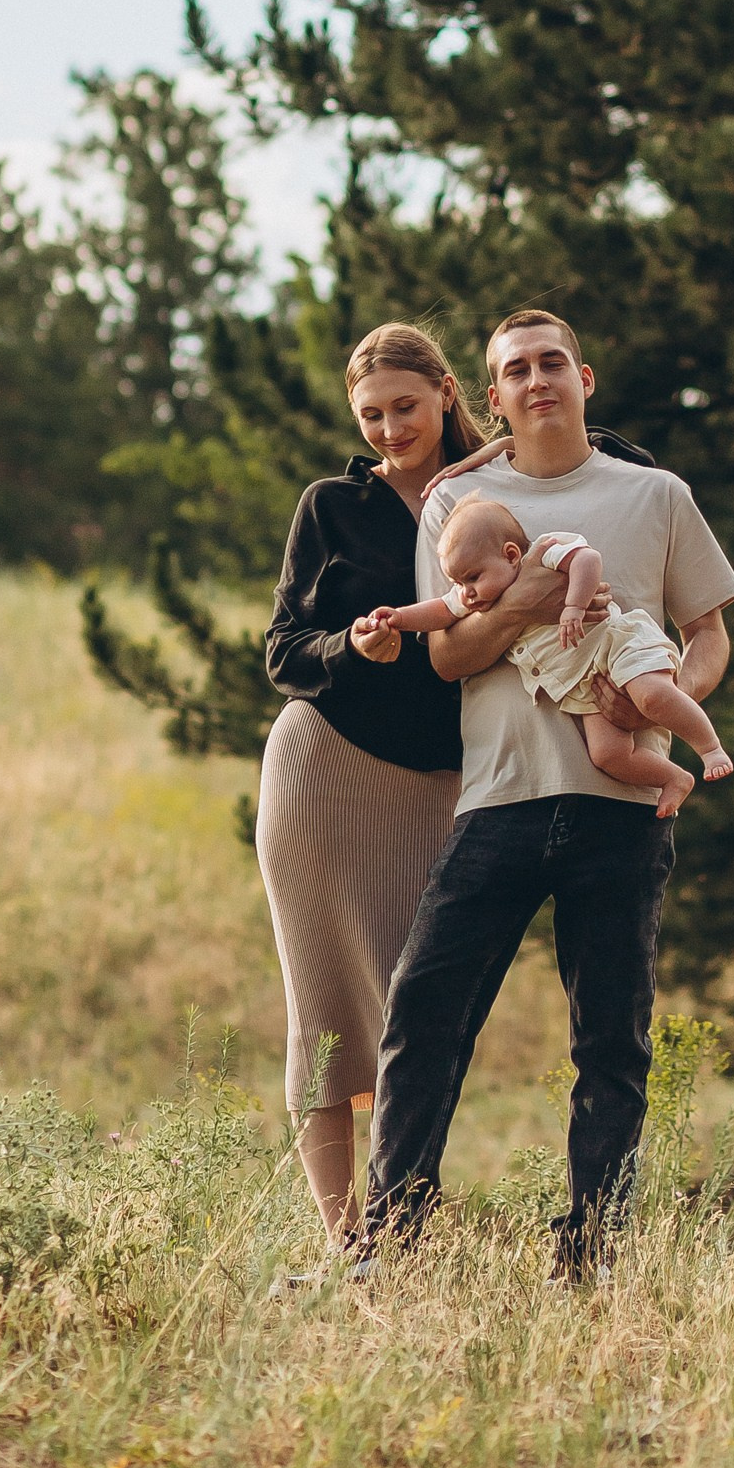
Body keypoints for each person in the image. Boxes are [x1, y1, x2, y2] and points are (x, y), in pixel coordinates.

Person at [357, 306, 734, 1281]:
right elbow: (447, 654)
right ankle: (389, 1245)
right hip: (500, 799)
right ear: (492, 397)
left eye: (552, 363)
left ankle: (592, 1258)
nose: (537, 380)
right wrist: (527, 601)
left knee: (612, 1043)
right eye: (516, 369)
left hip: (620, 803)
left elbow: (710, 636)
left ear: (584, 379)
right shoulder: (460, 505)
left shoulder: (656, 496)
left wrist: (665, 699)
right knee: (424, 1013)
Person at [255, 321, 500, 1241]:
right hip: (324, 774)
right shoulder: (331, 507)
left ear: (446, 391)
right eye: (371, 415)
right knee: (322, 1014)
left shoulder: (498, 489)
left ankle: (402, 1224)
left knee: (418, 1014)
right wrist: (352, 647)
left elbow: (608, 455)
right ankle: (341, 1242)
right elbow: (282, 649)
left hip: (442, 790)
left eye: (406, 406)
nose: (391, 428)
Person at [358, 497, 734, 816]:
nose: (466, 592)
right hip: (583, 681)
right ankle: (673, 778)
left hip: (616, 645)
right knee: (607, 755)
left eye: (472, 578)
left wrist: (574, 605)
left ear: (509, 555)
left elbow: (587, 559)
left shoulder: (540, 554)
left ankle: (709, 748)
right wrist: (399, 618)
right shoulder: (477, 595)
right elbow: (441, 610)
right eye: (459, 582)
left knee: (652, 696)